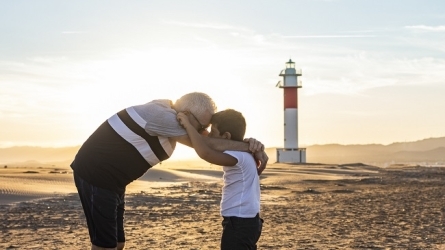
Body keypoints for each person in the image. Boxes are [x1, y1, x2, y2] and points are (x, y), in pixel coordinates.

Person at [71, 92, 268, 250]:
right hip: (96, 175)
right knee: (105, 245)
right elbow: (207, 145)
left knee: (118, 243)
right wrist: (250, 147)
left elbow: (212, 141)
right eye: (202, 127)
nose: (203, 132)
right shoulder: (165, 118)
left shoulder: (170, 114)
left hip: (113, 182)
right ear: (187, 115)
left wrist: (248, 145)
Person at [177, 109, 265, 250]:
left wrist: (188, 125)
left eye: (213, 132)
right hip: (246, 221)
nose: (209, 135)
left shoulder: (238, 156)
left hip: (240, 222)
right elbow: (204, 139)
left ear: (226, 136)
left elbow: (205, 152)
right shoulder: (244, 153)